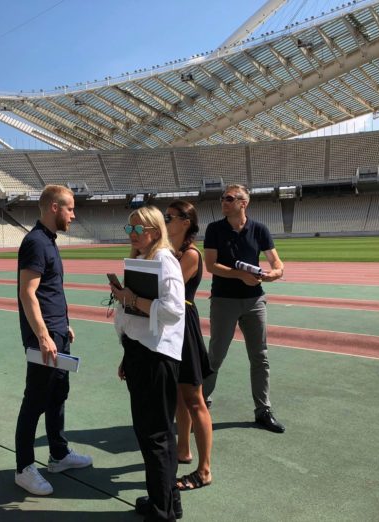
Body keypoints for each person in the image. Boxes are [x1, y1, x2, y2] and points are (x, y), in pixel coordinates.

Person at [14, 185, 92, 496]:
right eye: (70, 208)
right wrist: (44, 335)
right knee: (35, 400)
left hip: (57, 332)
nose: (73, 214)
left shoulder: (49, 240)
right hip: (44, 338)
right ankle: (24, 468)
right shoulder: (35, 242)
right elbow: (28, 293)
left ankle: (58, 454)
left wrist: (63, 325)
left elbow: (51, 291)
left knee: (58, 394)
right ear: (54, 208)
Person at [110, 205, 185, 522]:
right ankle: (166, 500)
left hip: (155, 357)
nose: (133, 234)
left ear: (155, 231)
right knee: (156, 434)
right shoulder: (144, 259)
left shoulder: (164, 260)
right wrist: (127, 355)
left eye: (138, 229)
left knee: (155, 436)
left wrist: (130, 299)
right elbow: (136, 318)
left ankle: (161, 511)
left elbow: (173, 310)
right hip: (140, 353)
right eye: (130, 229)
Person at [203, 184, 286, 433]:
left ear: (243, 203)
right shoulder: (215, 229)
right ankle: (200, 403)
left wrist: (275, 273)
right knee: (216, 355)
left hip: (254, 301)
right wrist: (240, 275)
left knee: (260, 356)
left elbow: (276, 261)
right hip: (224, 300)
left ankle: (263, 410)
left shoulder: (259, 229)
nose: (224, 202)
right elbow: (211, 265)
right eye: (223, 198)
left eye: (229, 198)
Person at [164, 200, 213, 491]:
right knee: (180, 395)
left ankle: (204, 470)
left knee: (194, 398)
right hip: (172, 324)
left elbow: (168, 290)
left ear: (185, 222)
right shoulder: (171, 251)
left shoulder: (191, 254)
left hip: (184, 325)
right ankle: (183, 449)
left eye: (169, 217)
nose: (164, 220)